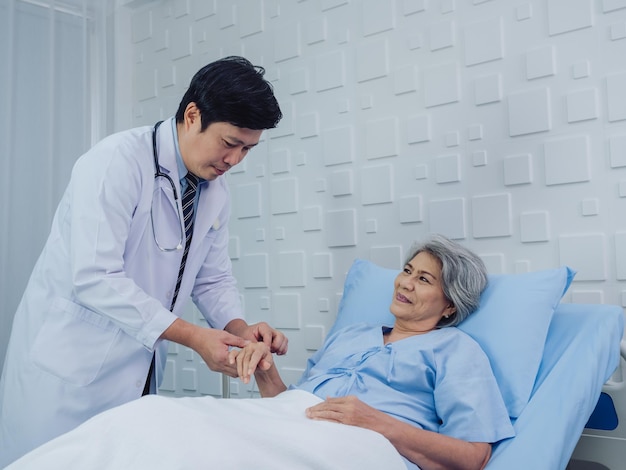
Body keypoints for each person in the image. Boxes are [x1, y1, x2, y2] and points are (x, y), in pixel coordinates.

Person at [0, 56, 288, 467]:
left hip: (134, 374)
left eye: (248, 149)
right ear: (193, 115)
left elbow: (212, 279)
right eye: (229, 143)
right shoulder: (116, 161)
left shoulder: (214, 191)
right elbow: (95, 277)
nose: (235, 160)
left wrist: (240, 332)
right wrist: (194, 337)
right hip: (68, 376)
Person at [231, 234, 515, 470]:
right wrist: (263, 367)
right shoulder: (350, 335)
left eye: (424, 279)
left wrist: (377, 423)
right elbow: (294, 409)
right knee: (196, 425)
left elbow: (475, 456)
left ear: (450, 305)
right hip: (289, 433)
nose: (405, 282)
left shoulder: (455, 349)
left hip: (358, 453)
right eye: (407, 270)